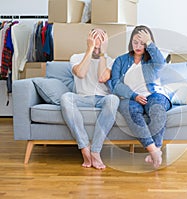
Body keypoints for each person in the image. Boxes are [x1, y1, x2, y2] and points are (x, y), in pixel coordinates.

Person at [110, 25, 171, 168]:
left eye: (142, 43)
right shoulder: (120, 60)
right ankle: (154, 151)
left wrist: (149, 43)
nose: (138, 46)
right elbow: (115, 84)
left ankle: (155, 149)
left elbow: (161, 64)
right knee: (131, 111)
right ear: (130, 42)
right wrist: (133, 96)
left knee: (157, 110)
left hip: (154, 94)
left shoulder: (152, 60)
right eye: (135, 42)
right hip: (131, 97)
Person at [60, 28, 119, 170]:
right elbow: (80, 73)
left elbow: (102, 77)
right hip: (81, 98)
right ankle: (85, 147)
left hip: (102, 99)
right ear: (88, 39)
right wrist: (90, 49)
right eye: (94, 37)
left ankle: (95, 150)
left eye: (101, 37)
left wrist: (102, 53)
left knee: (114, 99)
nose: (97, 40)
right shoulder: (76, 57)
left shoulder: (112, 61)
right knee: (65, 98)